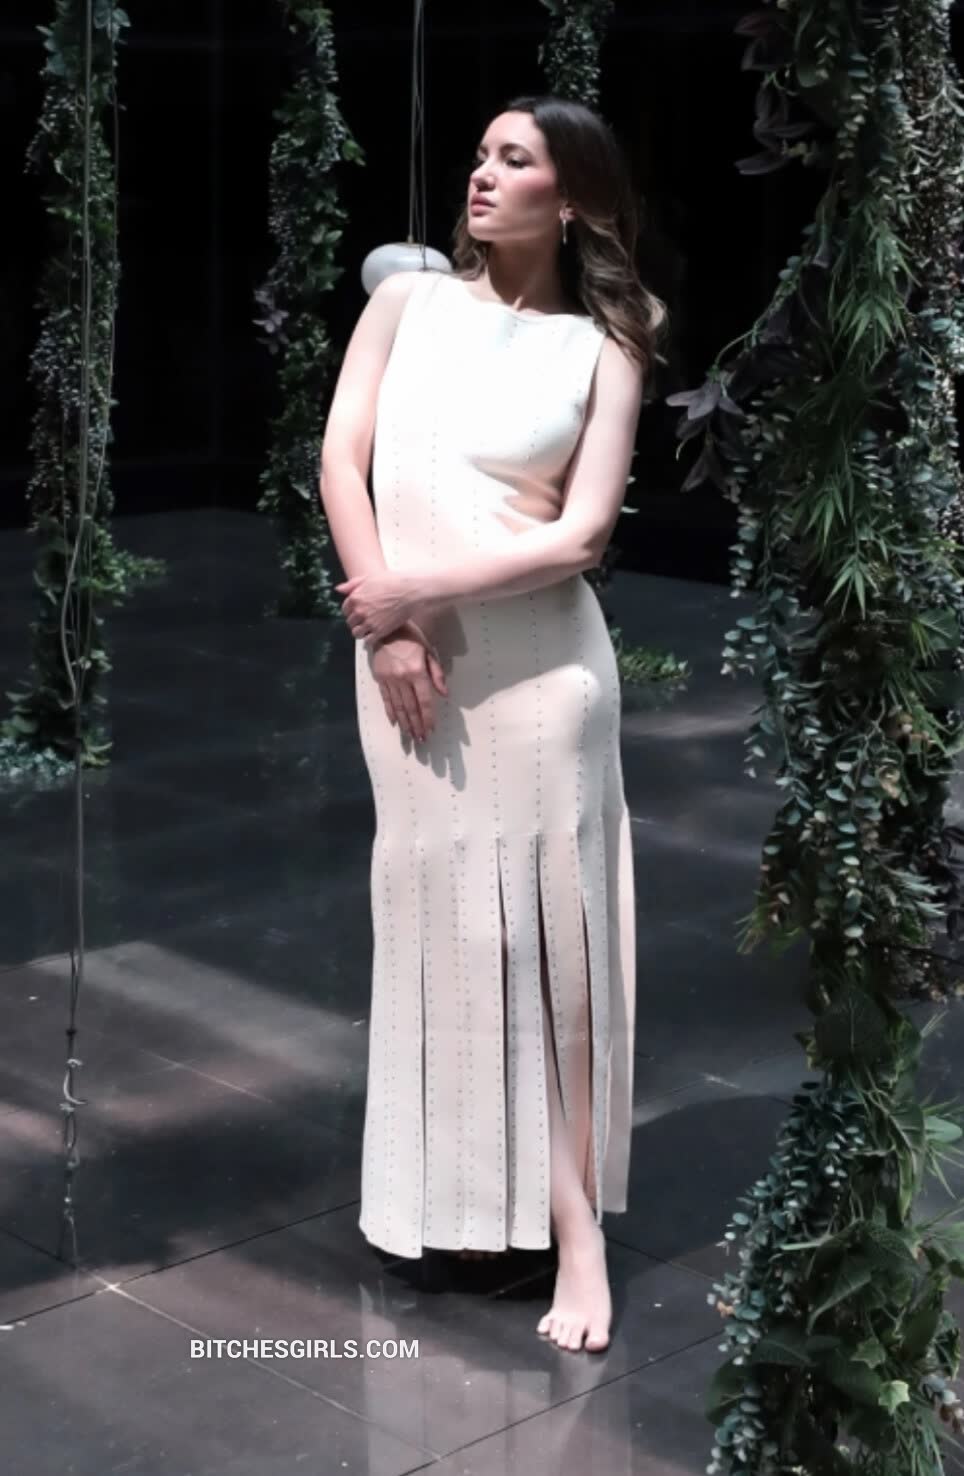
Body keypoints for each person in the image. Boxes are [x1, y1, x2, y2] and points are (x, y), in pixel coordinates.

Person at [320, 93, 666, 1354]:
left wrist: (417, 591)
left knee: (550, 946)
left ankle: (577, 1234)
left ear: (568, 199)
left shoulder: (606, 345)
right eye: (479, 154)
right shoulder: (406, 303)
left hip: (544, 679)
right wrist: (390, 624)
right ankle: (461, 1199)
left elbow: (581, 537)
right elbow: (340, 460)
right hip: (407, 662)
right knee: (448, 928)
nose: (480, 175)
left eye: (512, 160)